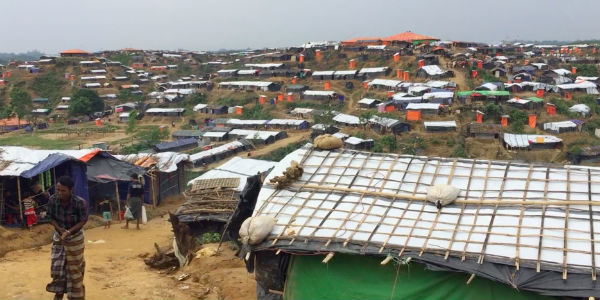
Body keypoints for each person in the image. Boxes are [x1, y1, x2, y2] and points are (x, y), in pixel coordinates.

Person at [46, 176, 88, 300]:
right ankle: (59, 292)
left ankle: (76, 295)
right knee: (57, 267)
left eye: (63, 190)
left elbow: (83, 220)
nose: (60, 193)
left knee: (74, 268)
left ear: (71, 190)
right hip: (59, 236)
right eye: (58, 190)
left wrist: (69, 232)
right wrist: (60, 230)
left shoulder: (79, 202)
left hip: (75, 238)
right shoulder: (53, 200)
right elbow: (50, 217)